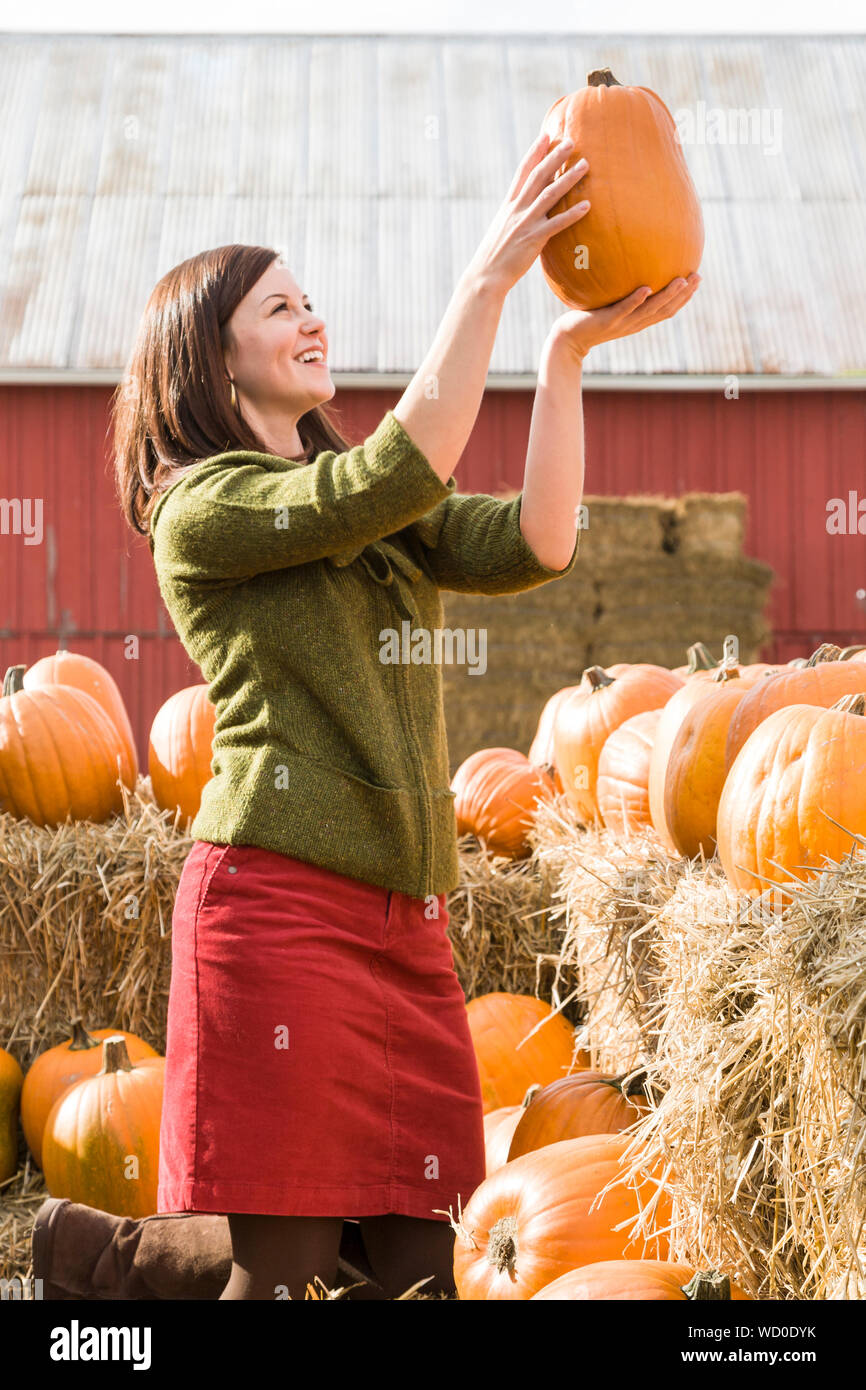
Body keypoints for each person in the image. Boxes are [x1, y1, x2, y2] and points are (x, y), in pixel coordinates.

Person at [33, 130, 699, 1302]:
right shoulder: (205, 511)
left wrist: (561, 355)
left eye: (310, 300)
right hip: (278, 912)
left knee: (421, 1267)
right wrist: (485, 277)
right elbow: (389, 471)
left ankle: (108, 1261)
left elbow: (537, 541)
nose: (311, 319)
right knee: (285, 1276)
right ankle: (120, 1277)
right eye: (279, 306)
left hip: (408, 925)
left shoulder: (362, 498)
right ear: (211, 360)